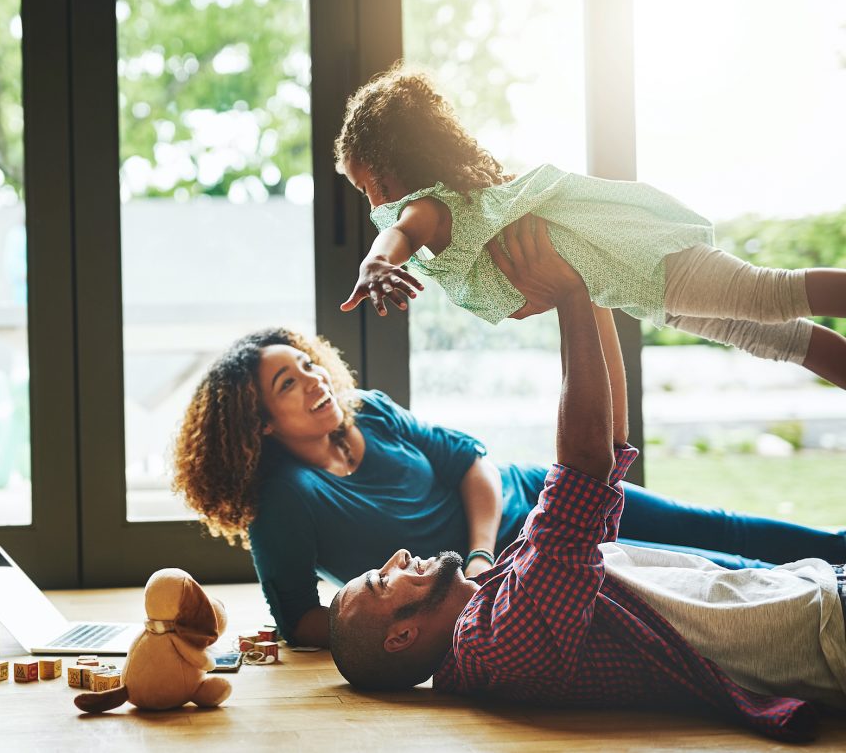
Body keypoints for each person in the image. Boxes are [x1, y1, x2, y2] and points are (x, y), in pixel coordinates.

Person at [171, 225, 846, 649]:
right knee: (707, 575)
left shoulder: (368, 411)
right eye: (288, 383)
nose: (315, 379)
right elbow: (302, 620)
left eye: (308, 363)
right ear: (258, 422)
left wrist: (477, 554)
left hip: (535, 500)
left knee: (722, 528)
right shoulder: (284, 498)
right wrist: (432, 629)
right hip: (528, 576)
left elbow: (473, 462)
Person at [327, 220, 846, 742]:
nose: (395, 559)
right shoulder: (500, 640)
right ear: (402, 637)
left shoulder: (496, 599)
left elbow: (609, 450)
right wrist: (569, 296)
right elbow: (582, 472)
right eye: (380, 581)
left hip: (812, 594)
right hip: (825, 631)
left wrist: (590, 291)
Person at [334, 63, 846, 390]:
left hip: (642, 259)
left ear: (391, 165)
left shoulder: (431, 209)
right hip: (637, 285)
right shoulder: (472, 203)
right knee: (777, 338)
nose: (373, 203)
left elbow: (398, 234)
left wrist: (377, 263)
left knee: (768, 295)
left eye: (368, 187)